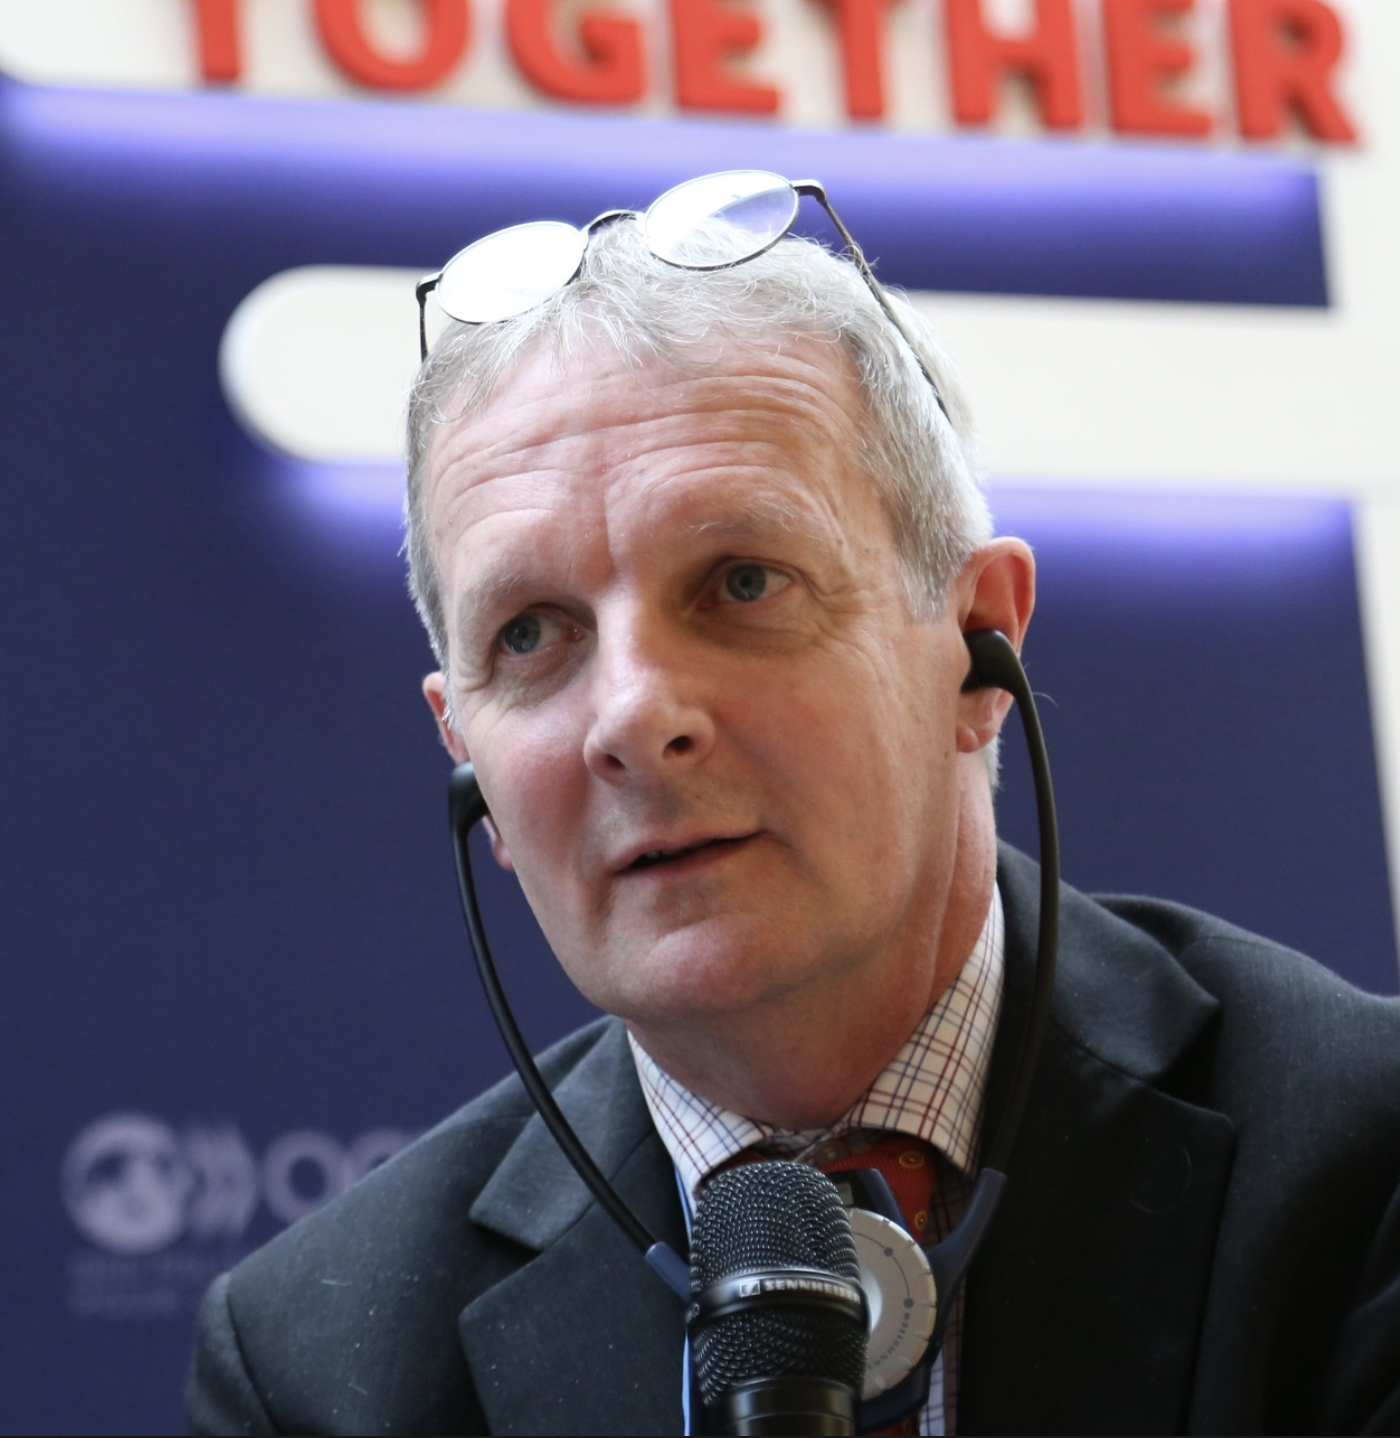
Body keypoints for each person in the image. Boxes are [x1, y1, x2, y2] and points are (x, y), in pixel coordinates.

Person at [187, 173, 1400, 1436]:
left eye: (740, 581)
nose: (632, 716)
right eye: (532, 633)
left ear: (975, 650)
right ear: (468, 761)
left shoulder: (1362, 1167)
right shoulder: (316, 1372)